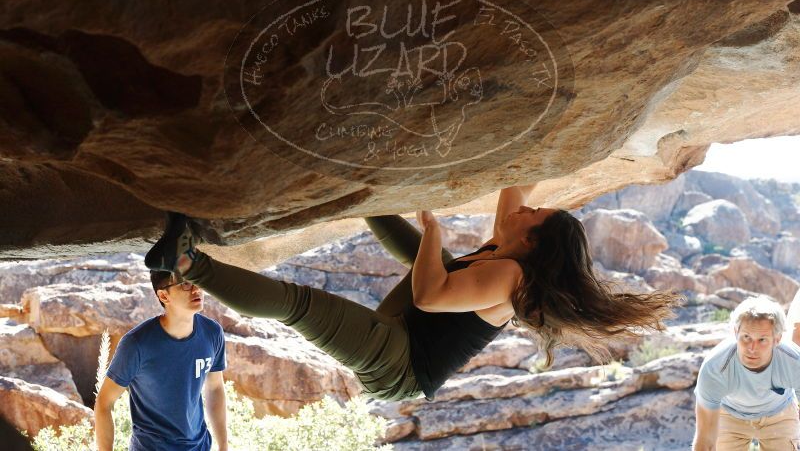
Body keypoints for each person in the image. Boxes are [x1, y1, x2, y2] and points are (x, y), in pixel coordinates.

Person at [145, 185, 679, 402]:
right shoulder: (506, 246)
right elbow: (514, 186)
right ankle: (359, 194)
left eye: (537, 213)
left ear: (533, 240)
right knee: (439, 260)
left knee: (300, 304)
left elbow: (428, 296)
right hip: (404, 335)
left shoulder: (511, 279)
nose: (528, 208)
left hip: (400, 368)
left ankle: (186, 261)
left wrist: (434, 230)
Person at [94, 270, 228, 451]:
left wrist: (223, 446)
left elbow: (215, 388)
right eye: (185, 284)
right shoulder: (137, 344)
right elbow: (104, 403)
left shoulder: (212, 332)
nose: (196, 289)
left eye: (197, 280)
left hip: (200, 446)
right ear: (164, 296)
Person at [693, 296, 800, 451]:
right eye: (746, 337)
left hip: (779, 413)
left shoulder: (794, 362)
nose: (752, 348)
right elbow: (705, 441)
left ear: (777, 339)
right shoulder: (716, 368)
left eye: (762, 340)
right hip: (730, 414)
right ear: (735, 332)